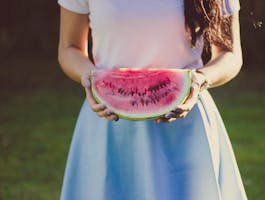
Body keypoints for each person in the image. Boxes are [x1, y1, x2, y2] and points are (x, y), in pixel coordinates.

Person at [57, 0, 247, 199]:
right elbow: (69, 48)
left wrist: (200, 79)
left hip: (185, 121)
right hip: (109, 122)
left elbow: (230, 54)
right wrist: (91, 79)